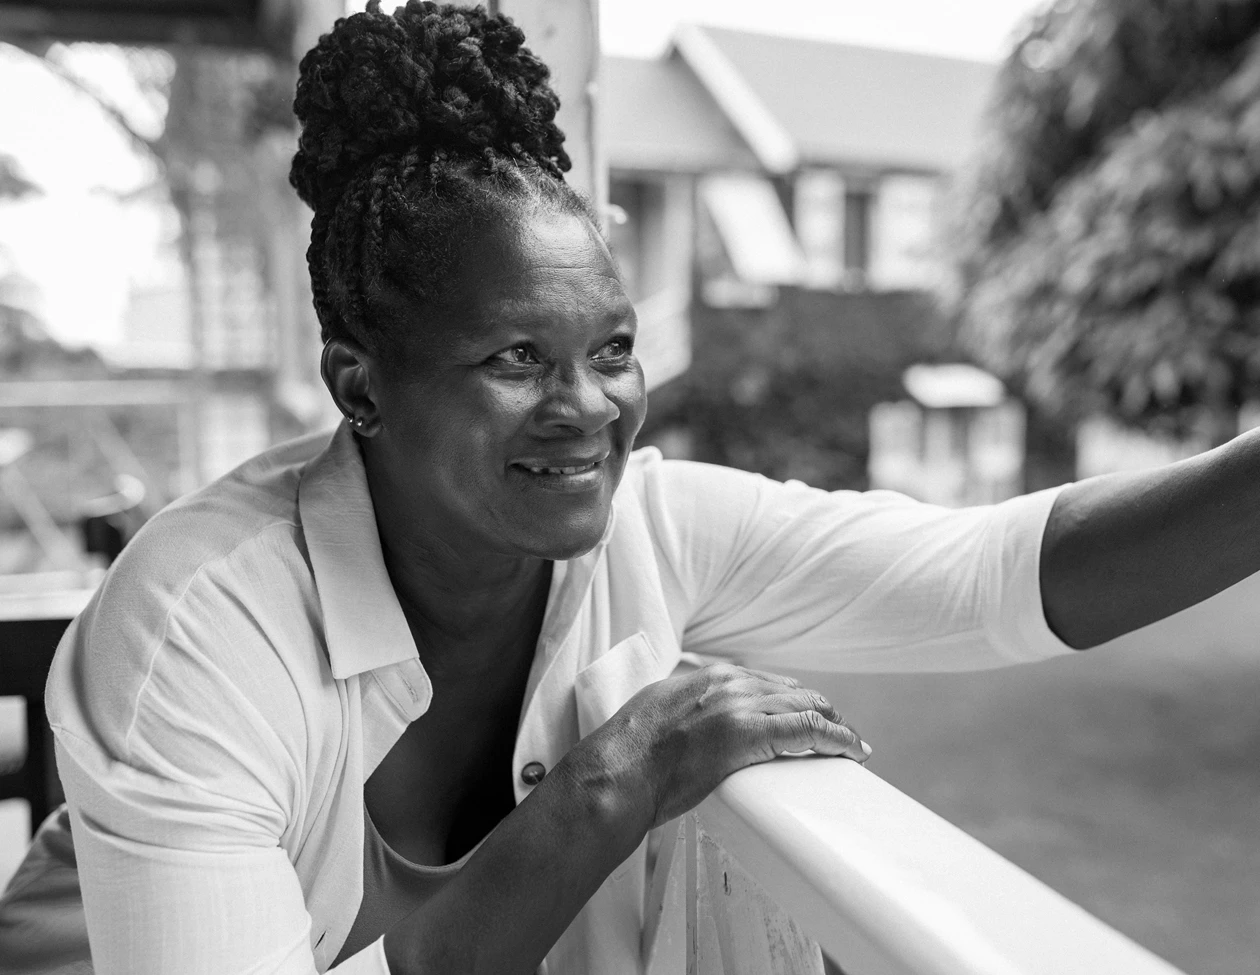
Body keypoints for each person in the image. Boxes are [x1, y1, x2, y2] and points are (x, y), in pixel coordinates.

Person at [3, 2, 1260, 973]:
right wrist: (622, 774)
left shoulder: (649, 527)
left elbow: (999, 576)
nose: (588, 405)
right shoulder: (201, 628)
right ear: (359, 384)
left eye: (611, 350)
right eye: (514, 359)